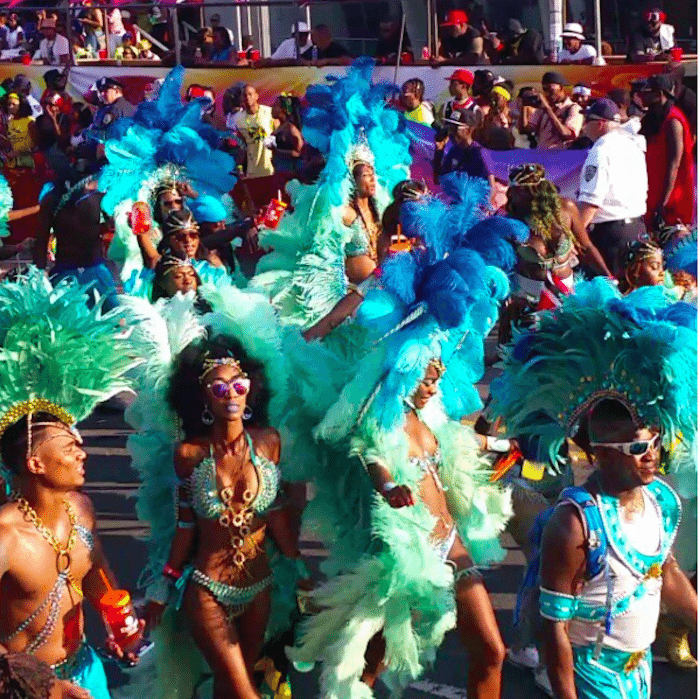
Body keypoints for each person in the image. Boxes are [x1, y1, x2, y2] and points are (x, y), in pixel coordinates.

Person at [490, 278, 697, 699]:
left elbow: (667, 571)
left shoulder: (662, 500)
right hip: (591, 675)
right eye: (637, 446)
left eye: (655, 440)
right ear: (599, 452)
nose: (651, 454)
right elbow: (555, 627)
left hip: (638, 674)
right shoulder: (575, 523)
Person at [0, 270, 147, 699]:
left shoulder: (80, 508)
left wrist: (116, 619)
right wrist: (40, 684)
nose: (83, 453)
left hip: (85, 669)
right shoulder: (7, 534)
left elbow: (95, 566)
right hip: (23, 688)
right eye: (69, 446)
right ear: (35, 463)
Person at [577, 98, 648, 276]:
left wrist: (572, 237)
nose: (584, 126)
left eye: (587, 121)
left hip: (611, 237)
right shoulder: (633, 145)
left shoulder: (601, 151)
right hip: (637, 230)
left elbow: (590, 202)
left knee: (607, 299)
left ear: (600, 123)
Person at [33, 178, 118, 310]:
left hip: (70, 273)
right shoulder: (97, 197)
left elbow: (41, 239)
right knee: (115, 323)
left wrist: (39, 273)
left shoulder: (50, 199)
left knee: (68, 326)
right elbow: (42, 239)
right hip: (86, 271)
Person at [640, 73, 695, 229]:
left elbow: (674, 164)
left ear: (659, 94)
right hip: (654, 192)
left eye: (647, 91)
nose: (642, 95)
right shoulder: (656, 116)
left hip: (672, 200)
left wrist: (662, 205)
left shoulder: (673, 121)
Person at [433, 108, 493, 192]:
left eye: (455, 128)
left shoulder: (480, 153)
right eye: (449, 128)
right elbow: (439, 180)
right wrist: (439, 151)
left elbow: (491, 188)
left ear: (468, 130)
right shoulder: (454, 152)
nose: (451, 133)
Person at [519, 71, 583, 149]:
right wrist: (524, 107)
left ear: (561, 88)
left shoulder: (573, 108)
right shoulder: (543, 109)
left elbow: (567, 135)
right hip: (541, 154)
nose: (547, 93)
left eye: (551, 90)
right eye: (545, 89)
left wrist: (548, 110)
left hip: (560, 156)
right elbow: (525, 130)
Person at [232, 85, 274, 179]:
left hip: (271, 169)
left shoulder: (268, 112)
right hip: (253, 171)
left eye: (250, 94)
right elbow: (242, 144)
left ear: (256, 96)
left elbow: (279, 133)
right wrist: (239, 168)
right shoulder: (238, 118)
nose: (247, 97)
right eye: (244, 95)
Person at [268, 94, 305, 173]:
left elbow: (298, 153)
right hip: (280, 171)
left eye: (275, 106)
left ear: (283, 110)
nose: (272, 107)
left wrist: (276, 151)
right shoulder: (280, 127)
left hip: (290, 173)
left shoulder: (290, 128)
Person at [0, 92, 35, 169]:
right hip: (15, 164)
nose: (10, 107)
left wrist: (19, 153)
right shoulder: (10, 122)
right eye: (9, 104)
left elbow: (36, 146)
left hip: (29, 163)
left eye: (14, 104)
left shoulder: (30, 121)